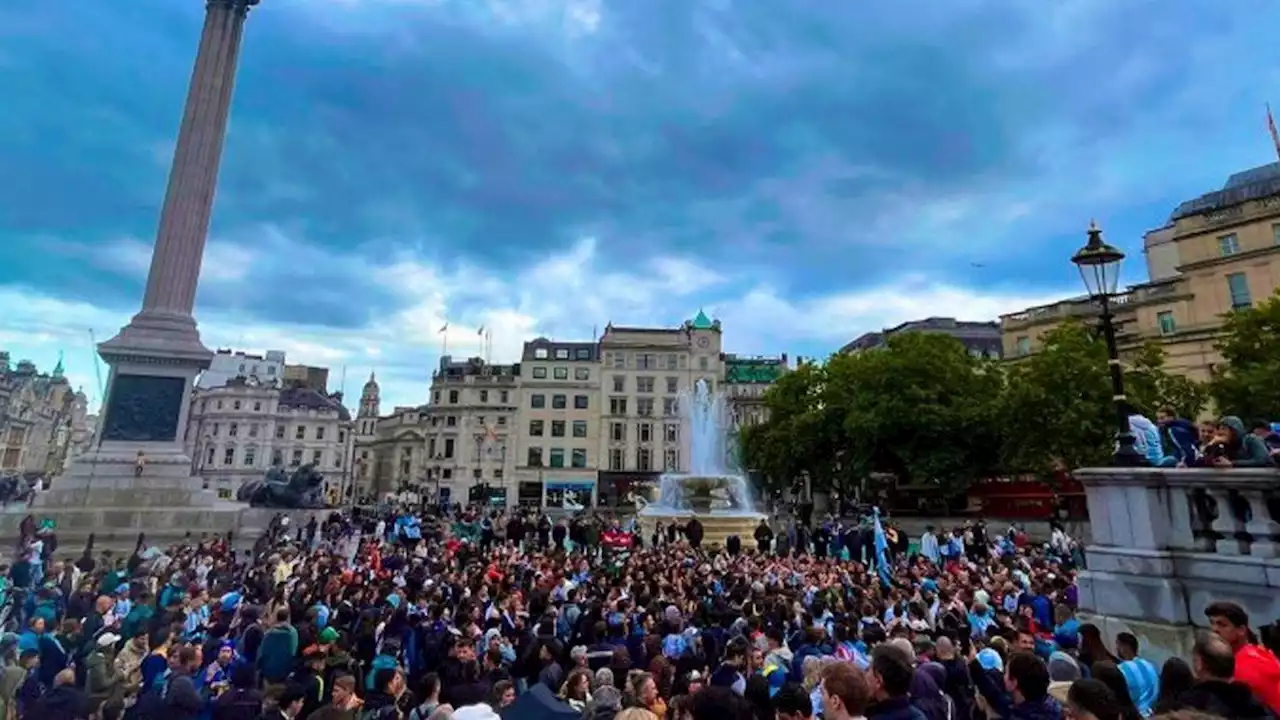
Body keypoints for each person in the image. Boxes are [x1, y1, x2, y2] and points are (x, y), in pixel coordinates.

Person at [1204, 601, 1280, 714]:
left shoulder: (1243, 666)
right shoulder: (1255, 652)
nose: (1214, 629)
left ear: (1241, 630)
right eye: (1212, 623)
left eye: (1222, 624)